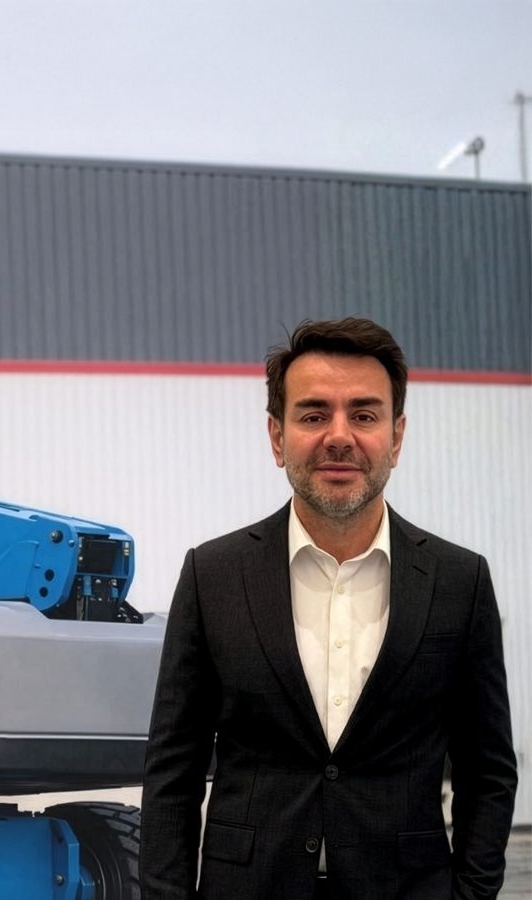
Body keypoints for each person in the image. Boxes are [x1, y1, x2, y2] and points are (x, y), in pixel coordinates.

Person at [141, 317, 517, 899]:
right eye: (314, 415)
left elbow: (487, 771)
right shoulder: (212, 576)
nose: (339, 436)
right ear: (276, 436)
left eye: (364, 415)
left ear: (396, 437)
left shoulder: (458, 582)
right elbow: (173, 769)